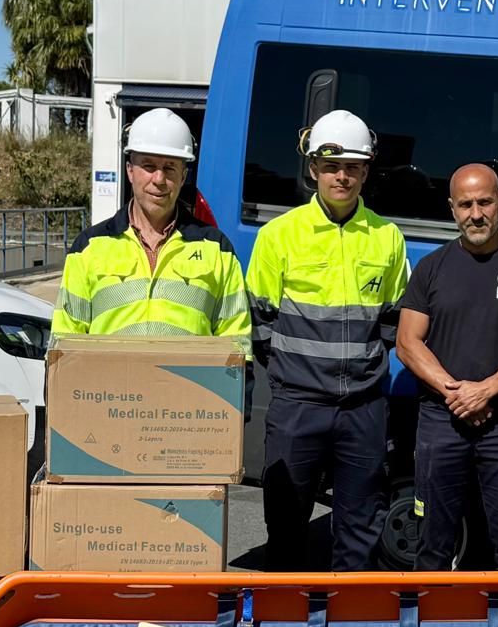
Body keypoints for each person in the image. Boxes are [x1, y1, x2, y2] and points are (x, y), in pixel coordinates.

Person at [245, 110, 408, 571]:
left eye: (353, 166)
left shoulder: (386, 238)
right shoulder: (279, 236)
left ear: (366, 170)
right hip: (298, 405)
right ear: (313, 167)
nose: (343, 176)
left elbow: (394, 322)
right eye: (332, 165)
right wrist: (298, 375)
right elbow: (259, 323)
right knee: (286, 522)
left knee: (361, 526)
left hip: (364, 408)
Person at [396, 164, 498, 569]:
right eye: (465, 204)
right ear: (452, 208)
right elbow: (407, 342)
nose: (476, 213)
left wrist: (486, 390)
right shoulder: (431, 268)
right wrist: (456, 392)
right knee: (432, 541)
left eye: (485, 202)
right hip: (441, 419)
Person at [52, 108, 249, 340]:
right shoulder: (88, 247)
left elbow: (236, 344)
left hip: (189, 379)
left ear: (183, 177)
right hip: (110, 378)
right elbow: (65, 342)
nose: (158, 180)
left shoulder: (217, 248)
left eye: (169, 168)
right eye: (148, 166)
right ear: (130, 171)